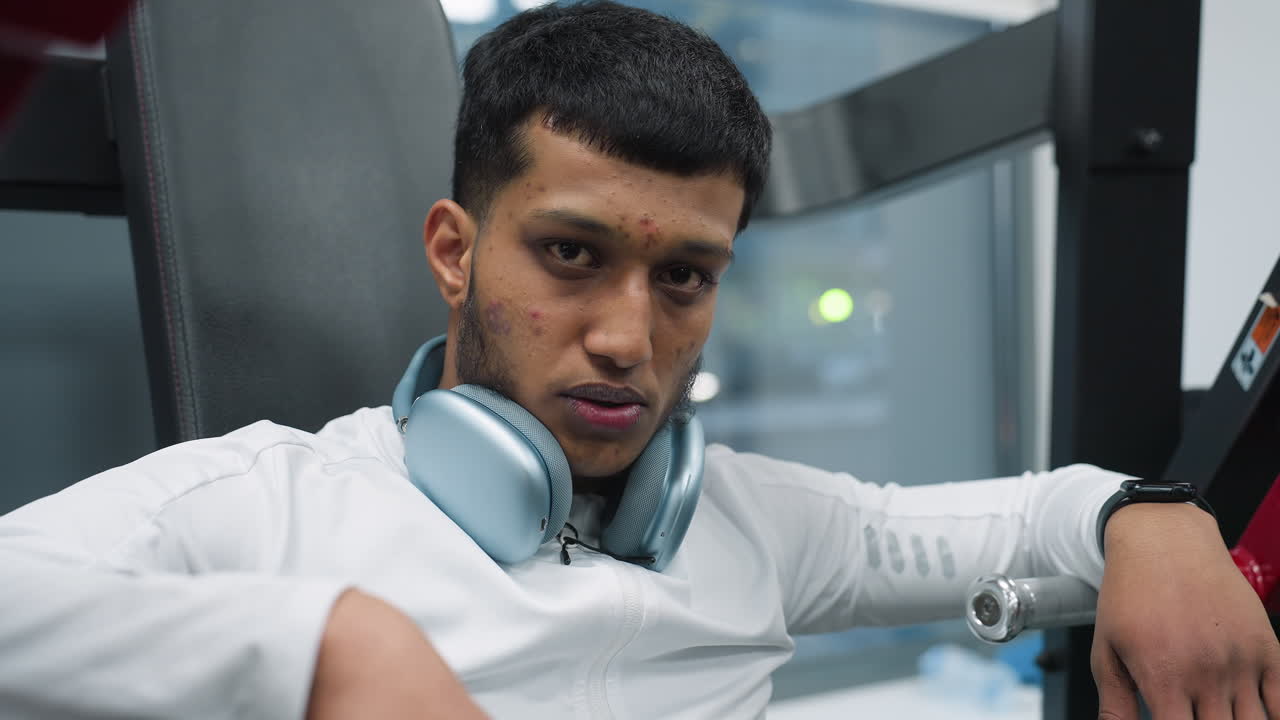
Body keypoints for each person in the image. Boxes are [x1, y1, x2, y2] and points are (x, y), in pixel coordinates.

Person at [1, 2, 1275, 718]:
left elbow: (1026, 517)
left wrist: (1143, 519)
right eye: (569, 254)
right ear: (454, 251)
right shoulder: (261, 507)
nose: (627, 335)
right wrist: (325, 647)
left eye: (683, 277)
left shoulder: (756, 525)